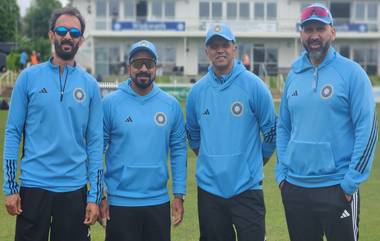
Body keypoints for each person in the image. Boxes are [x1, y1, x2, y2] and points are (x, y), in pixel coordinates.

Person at [276, 3, 378, 241]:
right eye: (308, 29)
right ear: (301, 33)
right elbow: (283, 127)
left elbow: (367, 129)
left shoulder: (352, 73)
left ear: (332, 32)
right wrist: (282, 174)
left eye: (320, 28)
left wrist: (350, 183)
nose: (314, 35)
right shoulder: (293, 76)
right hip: (295, 188)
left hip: (337, 187)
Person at [3, 7, 104, 241]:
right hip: (34, 186)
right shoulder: (28, 77)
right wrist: (10, 187)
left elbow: (96, 143)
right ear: (51, 35)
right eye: (61, 30)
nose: (67, 36)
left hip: (74, 188)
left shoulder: (89, 86)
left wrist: (94, 196)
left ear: (81, 39)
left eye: (73, 32)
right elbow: (13, 132)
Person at [186, 24, 276, 241]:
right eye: (214, 45)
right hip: (210, 190)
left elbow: (272, 133)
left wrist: (253, 162)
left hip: (247, 188)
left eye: (224, 45)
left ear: (234, 48)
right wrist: (211, 161)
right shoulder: (197, 92)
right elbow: (193, 135)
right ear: (206, 51)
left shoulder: (255, 86)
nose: (220, 50)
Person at [100, 40, 187, 241]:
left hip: (157, 202)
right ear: (129, 67)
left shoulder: (171, 105)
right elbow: (96, 151)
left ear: (156, 67)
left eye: (149, 63)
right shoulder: (110, 104)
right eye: (138, 63)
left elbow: (179, 150)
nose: (144, 69)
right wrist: (100, 195)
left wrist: (179, 194)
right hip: (119, 203)